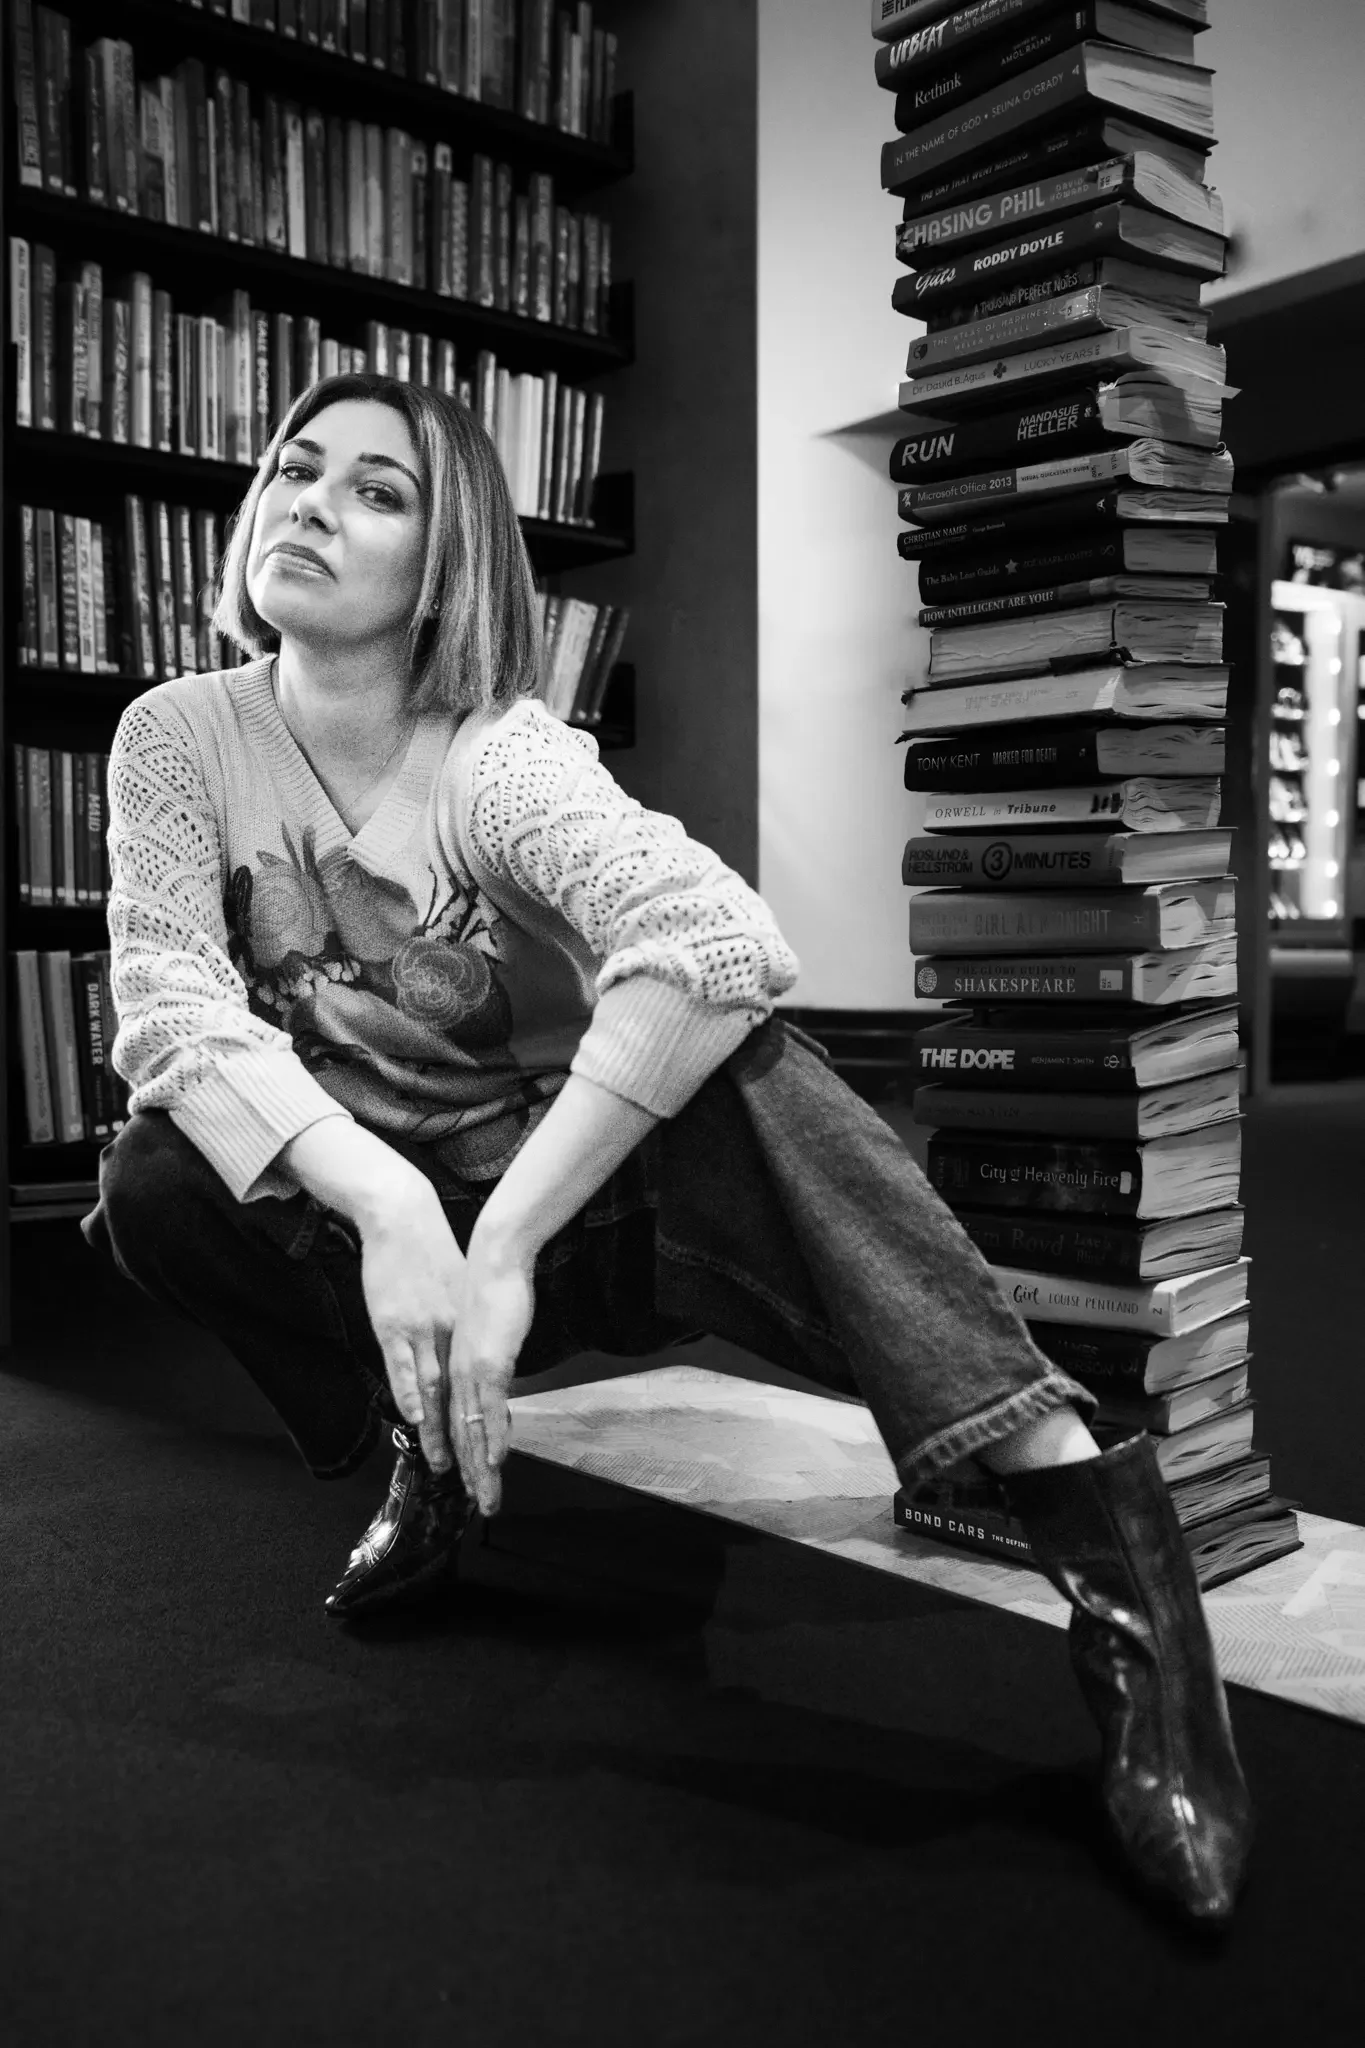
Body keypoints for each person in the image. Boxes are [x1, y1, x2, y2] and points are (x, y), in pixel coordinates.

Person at [82, 373, 1250, 1929]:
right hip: (370, 1248)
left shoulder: (495, 753)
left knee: (754, 1062)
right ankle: (424, 1454)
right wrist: (380, 1209)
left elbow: (712, 937)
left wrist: (492, 1242)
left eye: (378, 491)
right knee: (152, 1175)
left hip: (545, 1238)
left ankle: (1125, 1596)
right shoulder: (176, 735)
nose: (310, 505)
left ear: (448, 565)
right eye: (297, 471)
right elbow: (164, 996)